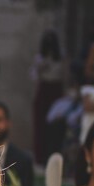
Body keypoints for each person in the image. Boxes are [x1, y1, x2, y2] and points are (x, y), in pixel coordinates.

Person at [29, 30, 64, 160]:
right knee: (40, 125)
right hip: (43, 90)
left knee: (55, 125)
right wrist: (41, 67)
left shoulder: (61, 57)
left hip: (56, 91)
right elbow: (33, 75)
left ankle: (54, 153)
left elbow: (63, 75)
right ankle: (41, 156)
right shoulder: (39, 58)